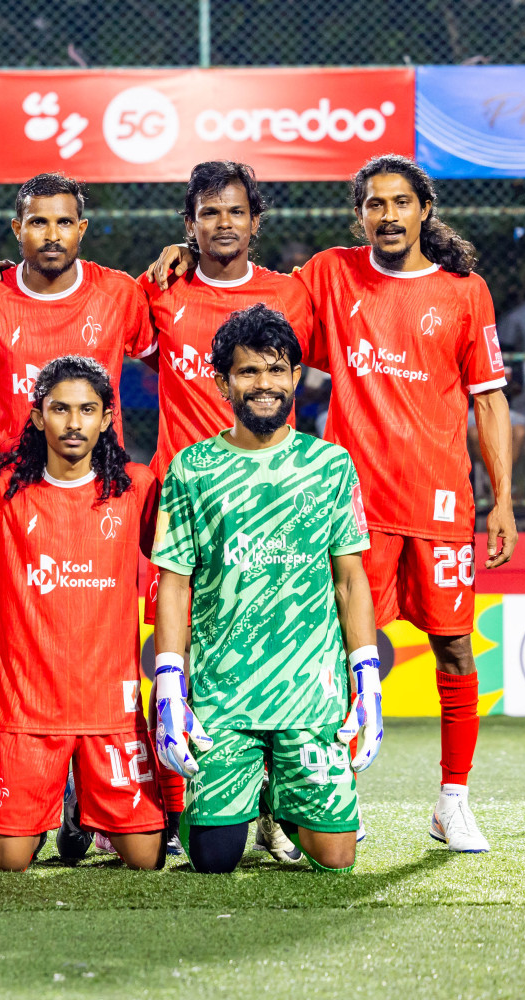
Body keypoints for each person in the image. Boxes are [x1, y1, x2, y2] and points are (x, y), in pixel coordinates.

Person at [151, 155, 515, 852]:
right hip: (345, 507)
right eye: (374, 204)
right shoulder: (327, 276)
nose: (387, 215)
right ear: (359, 216)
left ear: (423, 210)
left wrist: (500, 502)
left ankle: (453, 800)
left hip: (439, 503)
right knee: (321, 654)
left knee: (455, 648)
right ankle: (300, 799)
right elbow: (250, 314)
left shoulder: (466, 291)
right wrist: (183, 257)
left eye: (400, 202)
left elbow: (488, 397)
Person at [0, 172, 155, 856]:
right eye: (38, 223)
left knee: (105, 652)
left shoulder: (121, 294)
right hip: (10, 504)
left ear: (82, 230)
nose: (52, 235)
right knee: (2, 657)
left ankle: (109, 805)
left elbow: (168, 361)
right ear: (18, 230)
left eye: (64, 222)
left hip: (99, 501)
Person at [150, 305, 381, 874]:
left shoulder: (330, 464)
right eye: (248, 372)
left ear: (296, 378)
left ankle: (278, 799)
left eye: (277, 371)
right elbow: (173, 583)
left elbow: (350, 578)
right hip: (224, 694)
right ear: (222, 380)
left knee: (335, 858)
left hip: (309, 693)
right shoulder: (191, 468)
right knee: (213, 857)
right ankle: (245, 794)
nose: (264, 385)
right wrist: (169, 683)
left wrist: (366, 675)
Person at [138, 161, 317, 862]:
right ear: (189, 224)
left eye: (235, 212)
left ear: (255, 221)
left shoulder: (292, 296)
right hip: (188, 510)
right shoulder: (160, 292)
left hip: (276, 512)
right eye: (208, 213)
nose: (222, 224)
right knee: (180, 652)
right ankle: (181, 800)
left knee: (276, 653)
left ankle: (276, 806)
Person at [0, 355, 165, 872]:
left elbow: (173, 563)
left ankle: (80, 800)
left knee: (146, 859)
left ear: (107, 418)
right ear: (37, 417)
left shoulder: (137, 488)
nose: (74, 423)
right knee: (5, 862)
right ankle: (63, 795)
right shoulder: (0, 491)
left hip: (112, 712)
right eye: (60, 409)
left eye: (87, 410)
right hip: (27, 711)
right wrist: (17, 604)